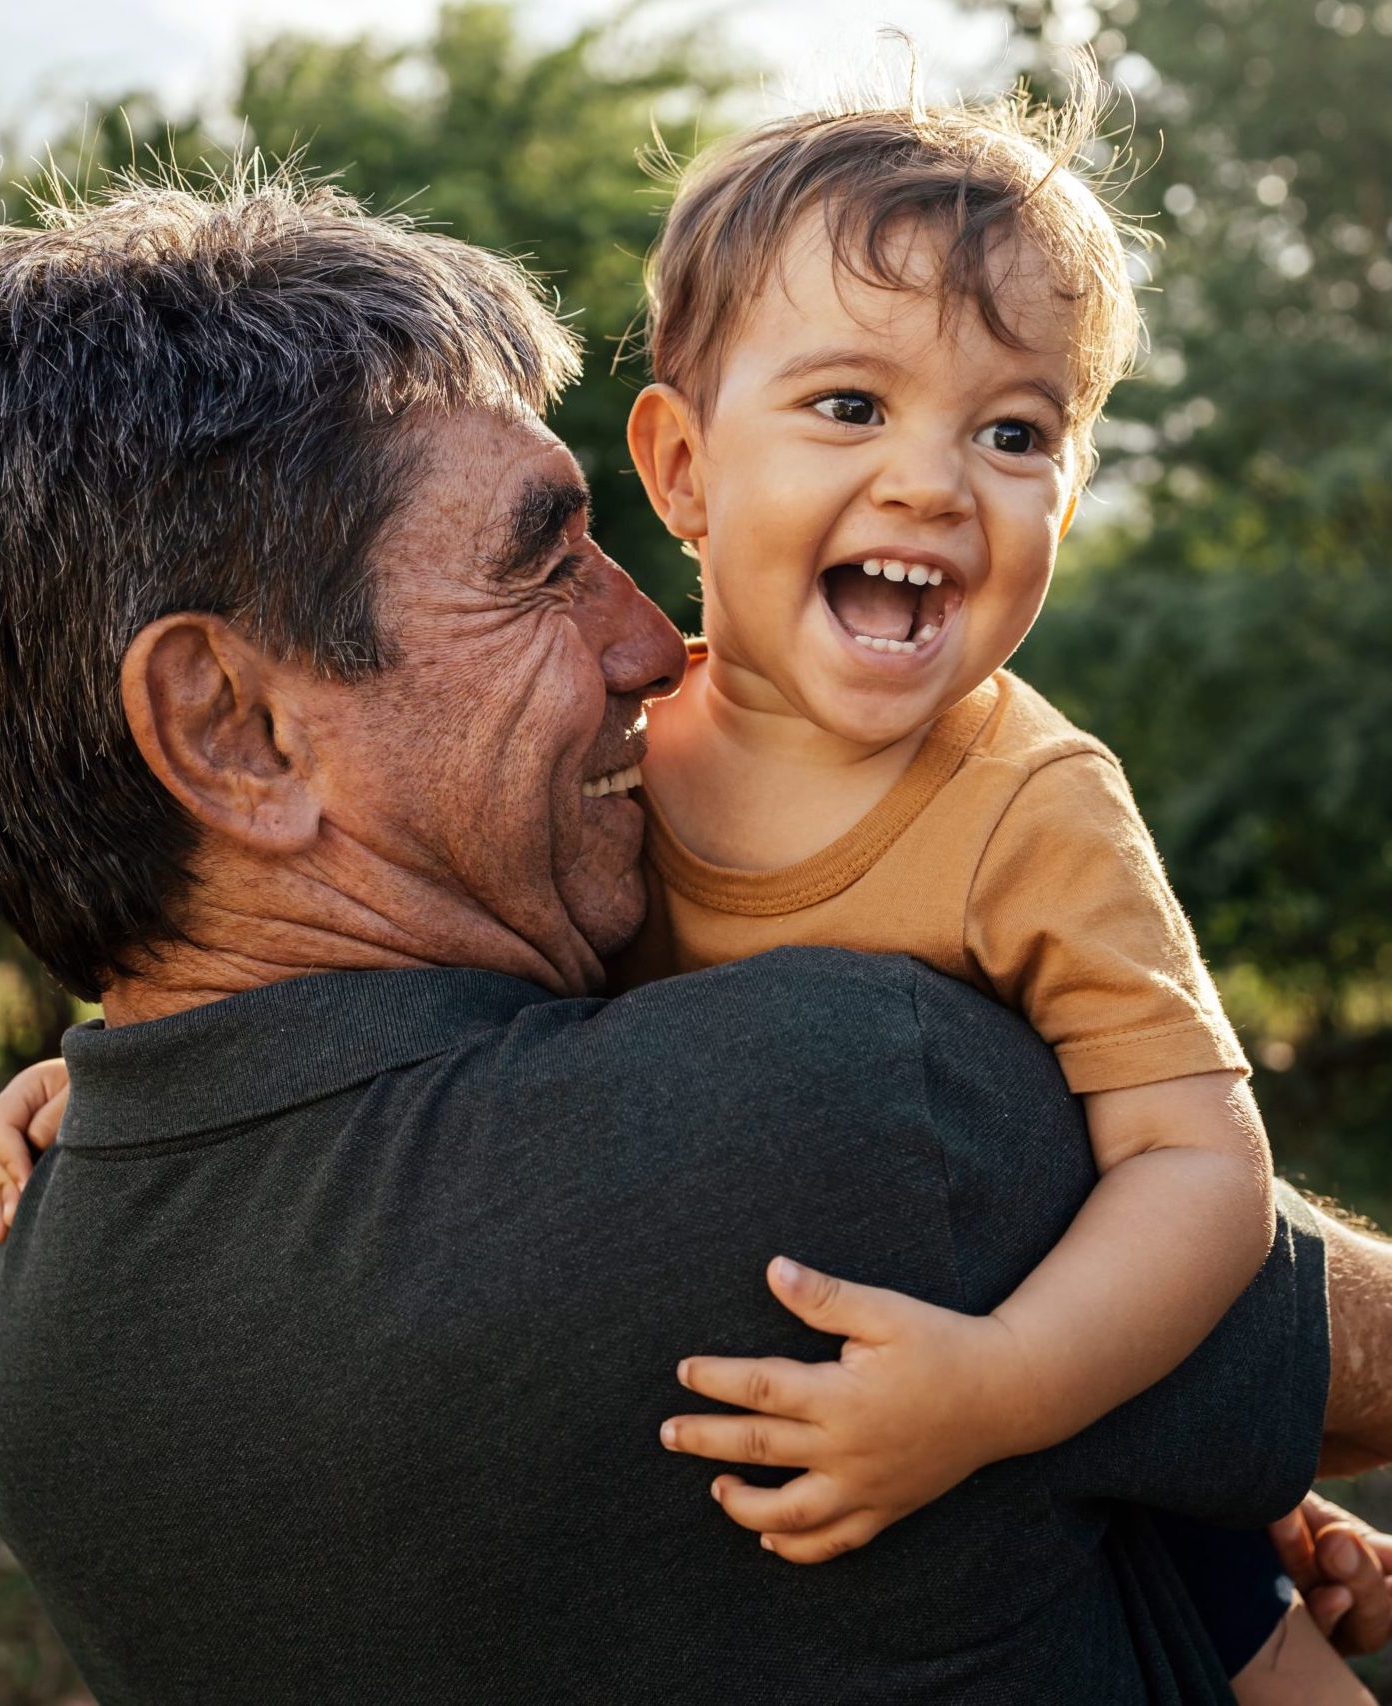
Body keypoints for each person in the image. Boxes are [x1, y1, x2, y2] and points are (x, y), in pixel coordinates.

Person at [0, 176, 1390, 1704]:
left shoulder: (30, 1330)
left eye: (1013, 433)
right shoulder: (846, 1096)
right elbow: (1356, 1353)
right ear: (235, 728)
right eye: (537, 567)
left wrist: (102, 1077)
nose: (651, 644)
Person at [602, 87, 1355, 1697]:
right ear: (679, 467)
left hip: (1052, 1423)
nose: (935, 484)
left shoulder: (1031, 803)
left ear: (1064, 500)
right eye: (849, 405)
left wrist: (1003, 1386)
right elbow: (401, 982)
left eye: (1011, 433)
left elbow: (1197, 1169)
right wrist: (110, 1067)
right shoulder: (596, 762)